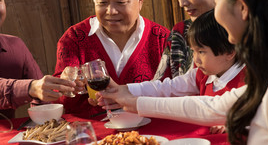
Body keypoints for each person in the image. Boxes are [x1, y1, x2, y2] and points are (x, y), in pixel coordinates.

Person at [100, 0, 268, 144]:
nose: (182, 2)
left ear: (242, 7)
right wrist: (131, 99)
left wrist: (132, 100)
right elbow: (214, 106)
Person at [53, 0, 170, 118]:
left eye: (120, 2)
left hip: (152, 133)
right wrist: (66, 86)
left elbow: (176, 96)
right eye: (102, 2)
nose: (111, 11)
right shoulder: (74, 39)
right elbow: (63, 101)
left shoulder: (162, 39)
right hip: (93, 135)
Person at [99, 9, 246, 134]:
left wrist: (236, 123)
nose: (196, 60)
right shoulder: (201, 75)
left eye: (201, 52)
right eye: (193, 52)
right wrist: (125, 89)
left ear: (229, 52)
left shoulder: (248, 79)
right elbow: (166, 88)